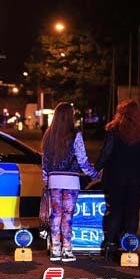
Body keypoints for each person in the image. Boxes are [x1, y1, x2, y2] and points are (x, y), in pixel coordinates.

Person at [95, 100, 140, 258]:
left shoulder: (114, 130)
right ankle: (129, 247)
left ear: (120, 113)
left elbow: (106, 153)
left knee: (115, 210)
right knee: (133, 211)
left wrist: (96, 168)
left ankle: (109, 245)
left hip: (116, 177)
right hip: (137, 177)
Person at [42, 102, 99, 262]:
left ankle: (55, 249)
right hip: (71, 180)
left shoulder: (49, 135)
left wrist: (46, 180)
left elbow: (45, 161)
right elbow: (82, 160)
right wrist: (94, 174)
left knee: (56, 215)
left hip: (54, 180)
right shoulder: (76, 135)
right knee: (67, 215)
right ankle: (67, 250)